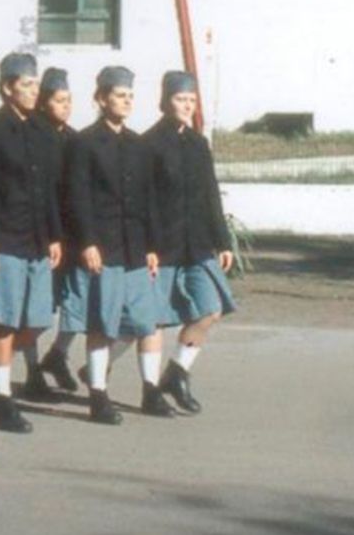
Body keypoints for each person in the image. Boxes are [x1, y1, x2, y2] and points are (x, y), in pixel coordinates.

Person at [65, 66, 175, 425]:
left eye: (130, 95)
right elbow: (77, 197)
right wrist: (87, 242)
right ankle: (98, 394)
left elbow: (149, 201)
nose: (127, 101)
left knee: (146, 322)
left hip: (136, 248)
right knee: (102, 323)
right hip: (103, 247)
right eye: (119, 94)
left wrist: (152, 246)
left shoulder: (138, 145)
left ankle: (150, 390)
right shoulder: (83, 143)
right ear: (101, 99)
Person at [0, 52, 63, 433]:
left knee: (39, 319)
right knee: (4, 321)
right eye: (25, 85)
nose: (32, 91)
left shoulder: (41, 129)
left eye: (35, 85)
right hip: (4, 238)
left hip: (38, 240)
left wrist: (55, 234)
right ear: (7, 88)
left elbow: (50, 189)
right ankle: (3, 401)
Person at [145, 71, 238, 414]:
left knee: (210, 309)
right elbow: (146, 202)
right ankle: (135, 382)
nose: (187, 106)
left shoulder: (199, 144)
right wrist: (149, 246)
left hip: (197, 244)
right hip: (163, 246)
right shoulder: (150, 144)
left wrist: (222, 241)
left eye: (191, 100)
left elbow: (210, 194)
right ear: (165, 100)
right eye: (180, 99)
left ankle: (178, 371)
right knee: (150, 321)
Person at [34, 67, 83, 394]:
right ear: (44, 102)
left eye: (68, 100)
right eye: (59, 100)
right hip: (46, 233)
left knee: (76, 303)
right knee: (38, 309)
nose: (65, 106)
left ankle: (58, 354)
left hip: (73, 233)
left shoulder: (73, 137)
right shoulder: (36, 136)